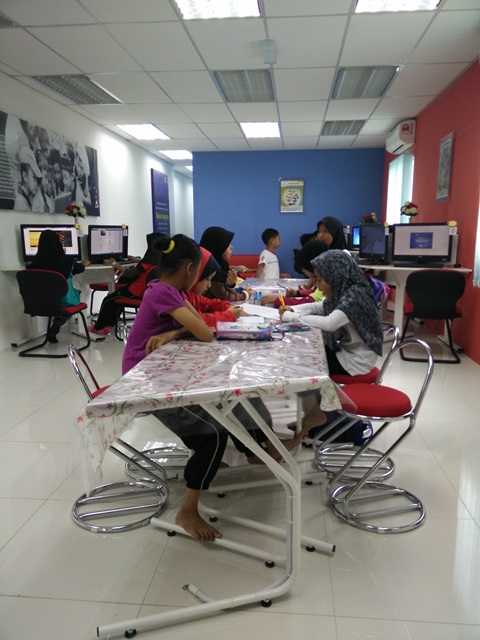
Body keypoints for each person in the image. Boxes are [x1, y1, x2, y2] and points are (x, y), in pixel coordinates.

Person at [279, 250, 383, 432]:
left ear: (335, 275)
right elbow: (319, 306)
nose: (318, 286)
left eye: (320, 279)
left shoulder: (355, 296)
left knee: (299, 361)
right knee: (302, 352)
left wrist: (291, 317)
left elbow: (330, 323)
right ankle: (313, 410)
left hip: (356, 361)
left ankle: (315, 413)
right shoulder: (346, 290)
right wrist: (294, 310)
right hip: (349, 352)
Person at [88, 232, 164, 335]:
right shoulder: (160, 259)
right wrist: (138, 260)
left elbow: (130, 273)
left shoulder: (147, 261)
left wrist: (115, 264)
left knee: (108, 300)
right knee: (115, 301)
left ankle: (98, 328)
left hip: (135, 291)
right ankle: (109, 325)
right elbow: (146, 265)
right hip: (144, 292)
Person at [27, 229, 90, 343]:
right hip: (63, 302)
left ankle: (58, 319)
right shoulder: (67, 261)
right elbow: (78, 269)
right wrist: (84, 264)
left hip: (40, 303)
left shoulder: (32, 265)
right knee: (76, 294)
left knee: (55, 296)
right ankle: (59, 320)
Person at [262, 239, 329, 308]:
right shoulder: (322, 279)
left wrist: (279, 300)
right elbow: (314, 292)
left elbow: (308, 302)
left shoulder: (326, 282)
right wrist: (297, 293)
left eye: (304, 268)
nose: (303, 271)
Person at [199, 226, 251, 302]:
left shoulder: (222, 265)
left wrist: (230, 285)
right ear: (218, 246)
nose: (231, 247)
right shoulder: (210, 268)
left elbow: (223, 293)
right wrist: (245, 294)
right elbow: (223, 297)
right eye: (227, 244)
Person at [14, 146, 44, 212]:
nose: (36, 183)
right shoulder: (21, 204)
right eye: (33, 178)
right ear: (25, 176)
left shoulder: (25, 198)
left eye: (37, 179)